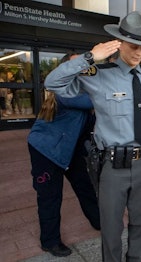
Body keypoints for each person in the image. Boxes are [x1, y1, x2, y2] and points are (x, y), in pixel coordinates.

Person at [44, 11, 141, 262]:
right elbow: (52, 82)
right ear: (119, 44)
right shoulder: (98, 73)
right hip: (113, 165)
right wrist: (88, 57)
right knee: (110, 229)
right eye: (133, 46)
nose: (139, 53)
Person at [28, 52, 100, 257]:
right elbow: (93, 102)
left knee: (85, 186)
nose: (84, 67)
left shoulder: (82, 88)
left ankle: (98, 221)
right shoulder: (65, 90)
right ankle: (49, 241)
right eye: (78, 63)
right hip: (46, 150)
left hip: (70, 148)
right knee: (50, 196)